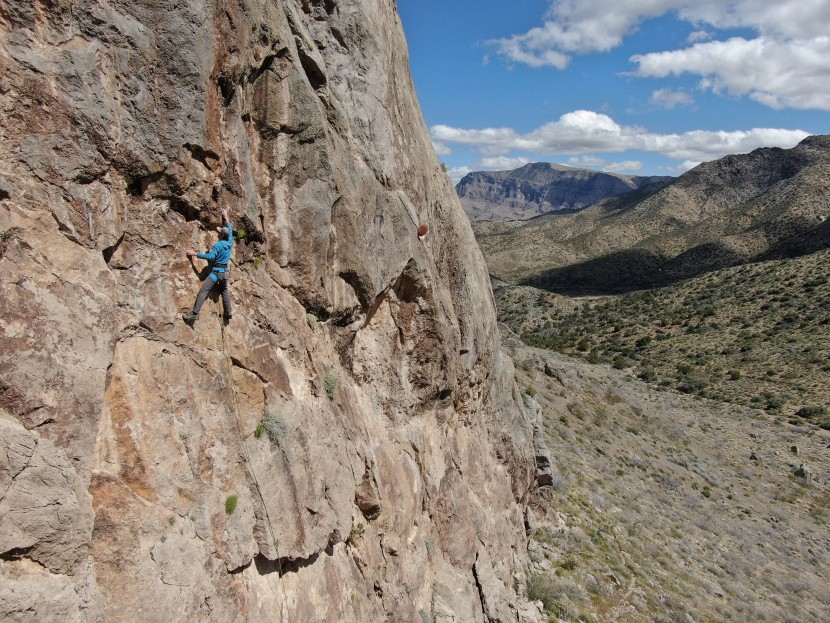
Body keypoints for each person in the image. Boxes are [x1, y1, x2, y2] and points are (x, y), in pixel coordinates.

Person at [182, 209, 233, 324]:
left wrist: (194, 254)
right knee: (224, 290)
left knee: (203, 291)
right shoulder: (230, 242)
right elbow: (230, 229)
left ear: (221, 235)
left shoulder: (218, 245)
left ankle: (194, 314)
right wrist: (226, 216)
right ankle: (228, 312)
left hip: (216, 272)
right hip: (226, 272)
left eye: (219, 232)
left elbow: (210, 257)